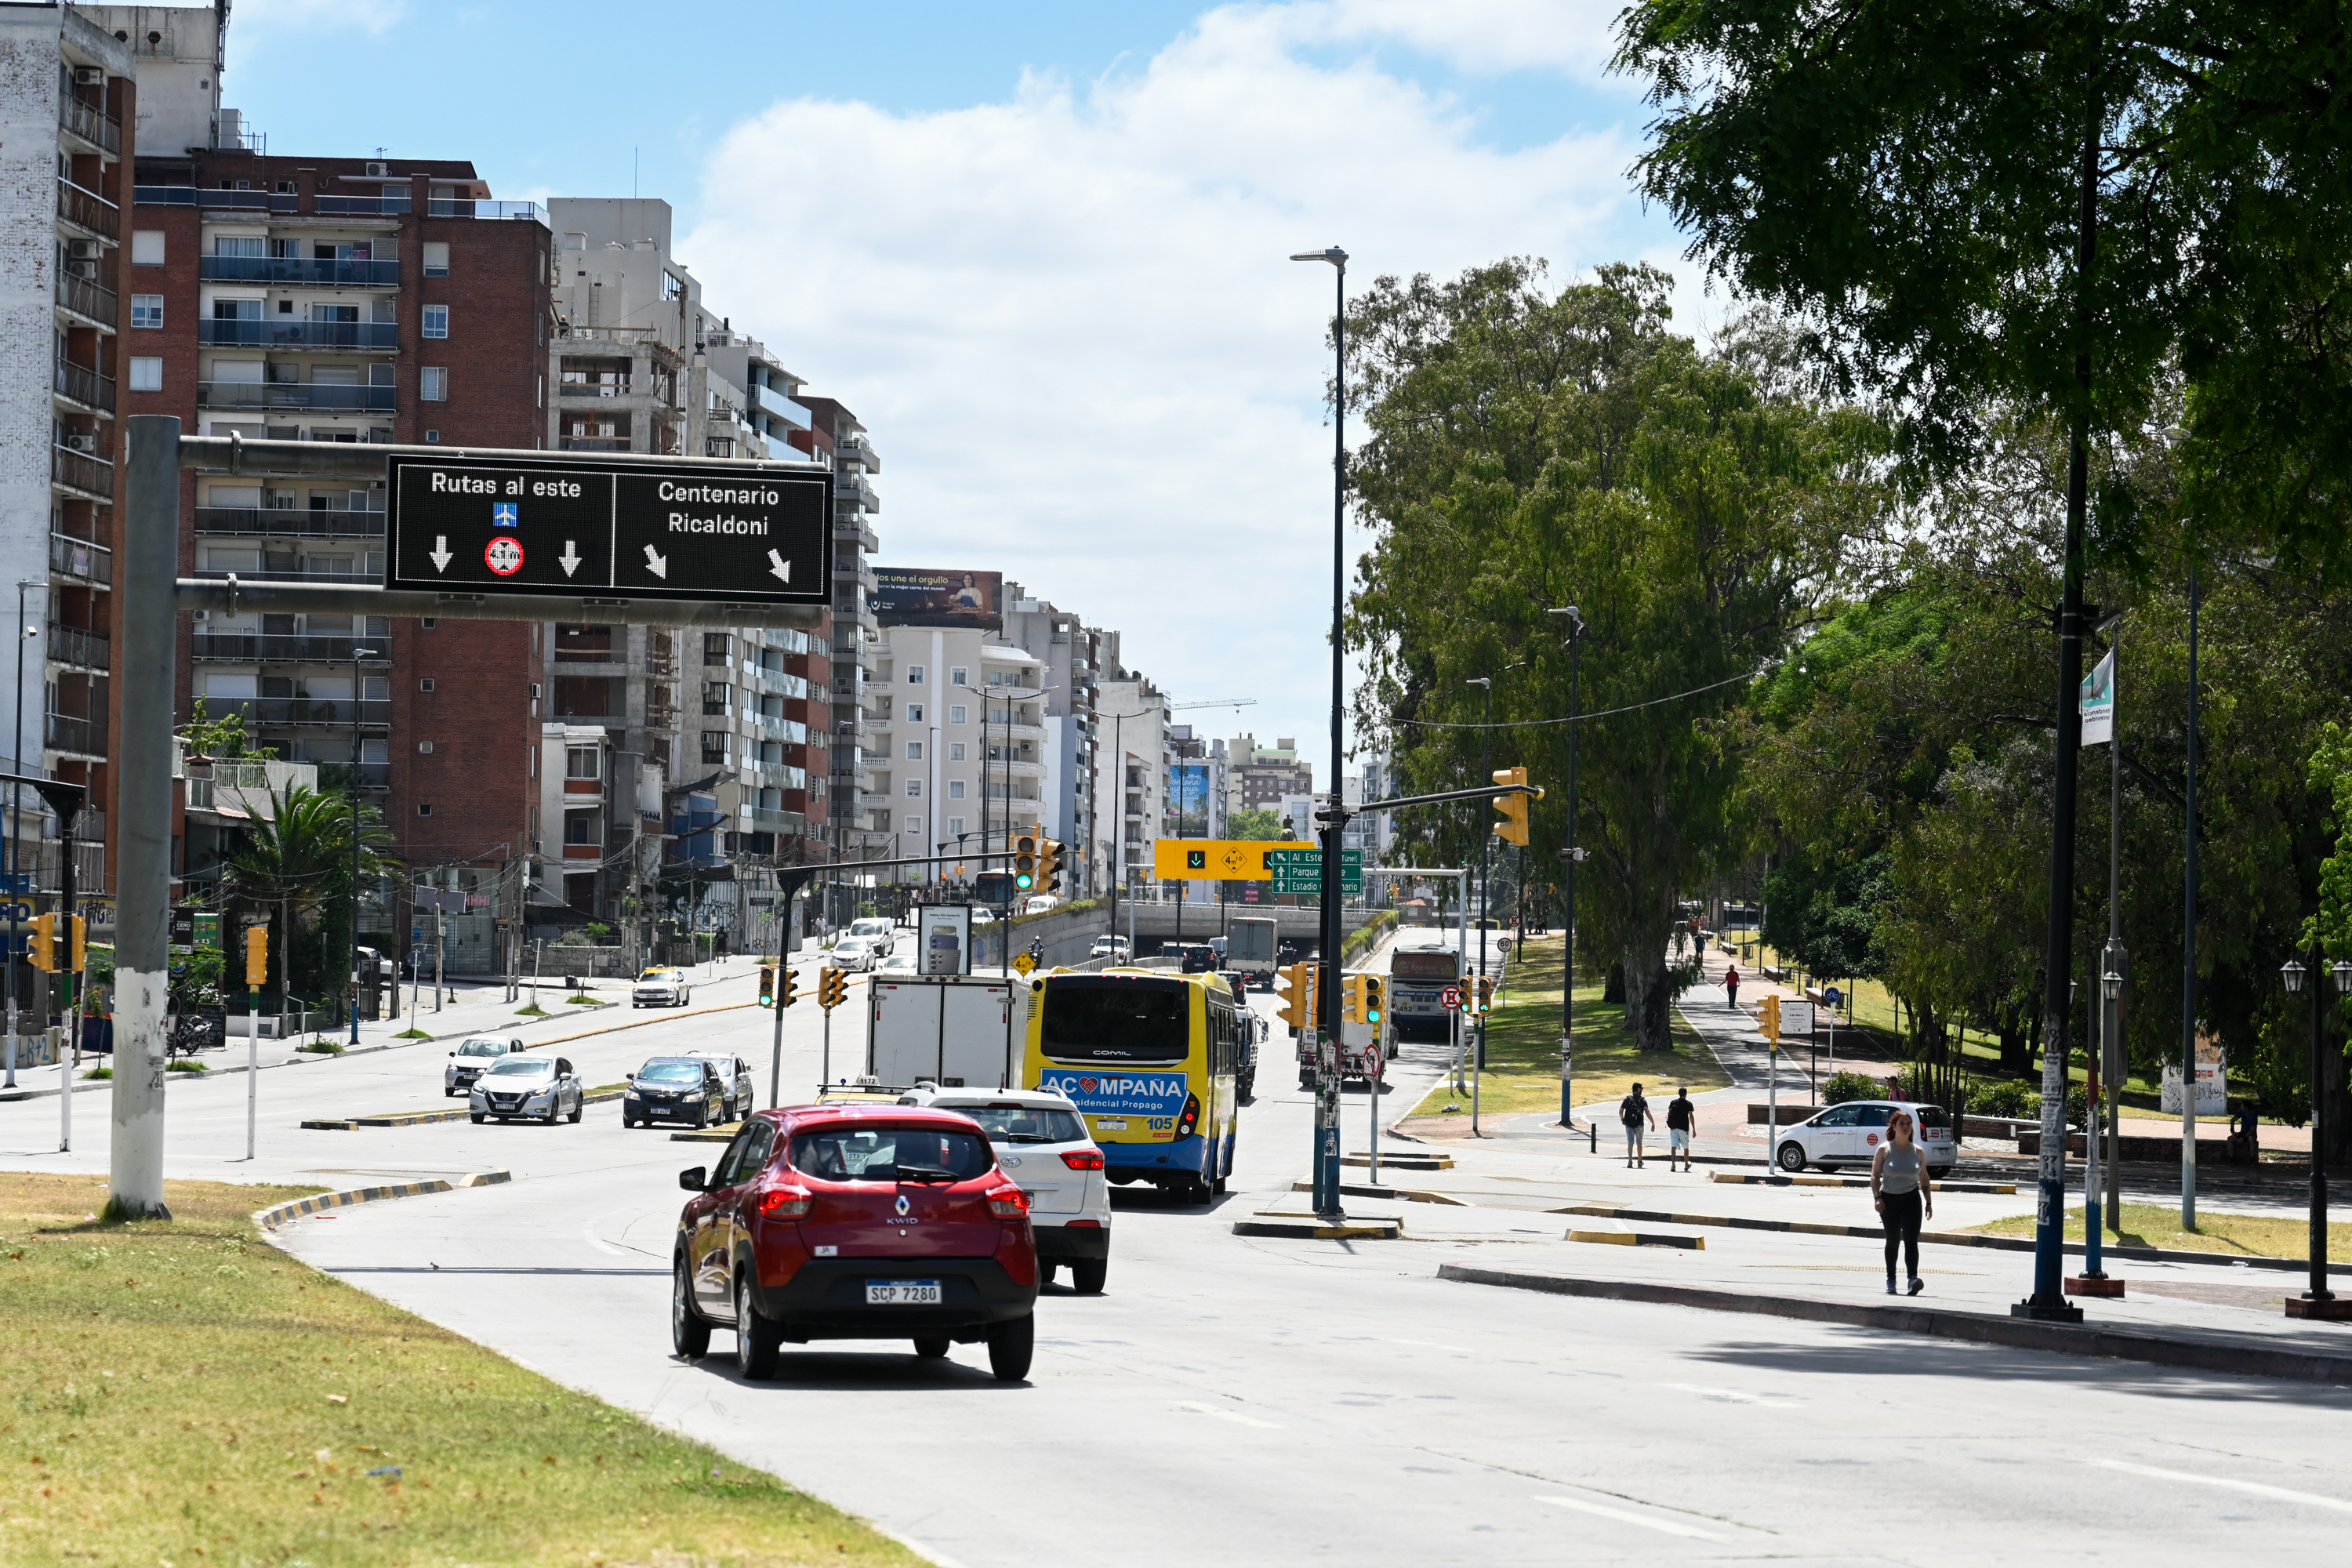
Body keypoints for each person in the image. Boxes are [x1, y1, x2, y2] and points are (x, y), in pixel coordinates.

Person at [1871, 1107, 1933, 1295]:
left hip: (1911, 1199)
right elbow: (1874, 1176)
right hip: (1888, 1200)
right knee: (1892, 1241)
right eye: (1902, 1124)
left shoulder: (1918, 1151)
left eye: (1908, 1124)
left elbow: (1924, 1177)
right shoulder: (1884, 1149)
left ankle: (1912, 1279)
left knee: (1911, 1241)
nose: (1905, 1127)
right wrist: (1877, 1198)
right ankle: (1891, 1279)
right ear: (1894, 1126)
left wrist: (1929, 1202)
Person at [1619, 1082, 1656, 1169]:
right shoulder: (1642, 1100)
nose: (1642, 1090)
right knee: (1639, 1143)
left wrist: (1623, 1120)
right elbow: (1647, 1112)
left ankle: (1630, 1161)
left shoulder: (1627, 1099)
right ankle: (1639, 1161)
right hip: (1639, 1124)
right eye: (1641, 1089)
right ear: (1638, 1089)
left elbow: (1621, 1111)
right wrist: (1653, 1123)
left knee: (1630, 1143)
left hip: (1629, 1124)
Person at [1665, 1086, 1697, 1172]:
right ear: (1685, 1094)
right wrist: (1694, 1129)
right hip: (1684, 1128)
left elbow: (1669, 1113)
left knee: (1673, 1147)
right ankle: (1686, 1164)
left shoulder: (1673, 1102)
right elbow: (1691, 1116)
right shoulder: (1688, 1104)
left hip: (1674, 1127)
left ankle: (1673, 1165)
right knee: (1686, 1148)